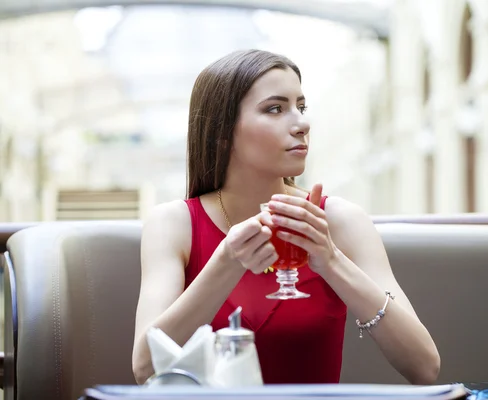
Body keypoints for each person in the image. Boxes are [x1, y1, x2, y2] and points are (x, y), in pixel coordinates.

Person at [131, 49, 440, 385]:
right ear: (222, 134)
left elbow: (425, 367)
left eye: (301, 107)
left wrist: (331, 261)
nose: (302, 124)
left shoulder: (340, 221)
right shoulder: (174, 224)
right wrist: (226, 262)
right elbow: (145, 367)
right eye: (275, 109)